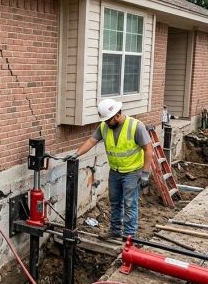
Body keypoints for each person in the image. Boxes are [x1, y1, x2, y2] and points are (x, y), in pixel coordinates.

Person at [66, 99, 154, 239]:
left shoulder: (136, 126)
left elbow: (148, 150)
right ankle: (115, 230)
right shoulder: (104, 127)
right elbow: (91, 141)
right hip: (115, 172)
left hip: (132, 172)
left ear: (117, 115)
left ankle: (129, 237)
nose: (106, 123)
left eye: (108, 120)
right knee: (115, 202)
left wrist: (145, 173)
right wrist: (76, 154)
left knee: (130, 204)